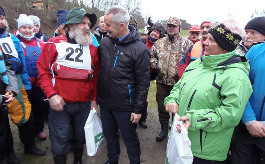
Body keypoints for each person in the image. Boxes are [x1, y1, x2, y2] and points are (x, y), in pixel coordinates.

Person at [165, 18, 252, 163]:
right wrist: (172, 100)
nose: (204, 42)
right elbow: (179, 87)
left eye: (211, 40)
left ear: (224, 46)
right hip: (180, 139)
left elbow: (231, 114)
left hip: (205, 152)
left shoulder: (236, 77)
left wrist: (194, 118)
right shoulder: (199, 64)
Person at [37, 7, 99, 164]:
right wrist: (51, 95)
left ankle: (78, 160)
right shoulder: (53, 44)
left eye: (89, 24)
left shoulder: (92, 49)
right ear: (70, 25)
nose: (87, 27)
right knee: (60, 137)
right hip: (60, 103)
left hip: (84, 103)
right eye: (83, 24)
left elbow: (95, 76)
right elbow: (43, 72)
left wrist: (94, 99)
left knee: (80, 135)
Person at [97, 5, 150, 164]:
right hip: (105, 103)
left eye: (108, 25)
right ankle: (112, 159)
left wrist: (138, 109)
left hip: (125, 105)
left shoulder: (140, 49)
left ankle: (135, 161)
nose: (104, 28)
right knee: (109, 135)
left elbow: (143, 82)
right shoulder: (105, 42)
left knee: (129, 138)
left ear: (121, 25)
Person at [0, 8, 45, 164]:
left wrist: (25, 83)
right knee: (1, 124)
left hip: (15, 82)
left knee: (26, 117)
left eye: (2, 18)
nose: (0, 21)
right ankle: (7, 153)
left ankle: (29, 145)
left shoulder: (12, 39)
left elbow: (22, 63)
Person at [150, 17, 193, 142]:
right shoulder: (159, 43)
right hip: (162, 82)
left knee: (178, 109)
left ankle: (175, 130)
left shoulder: (187, 44)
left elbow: (191, 62)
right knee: (162, 107)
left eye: (174, 26)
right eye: (169, 25)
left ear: (179, 27)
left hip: (179, 84)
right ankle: (163, 130)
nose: (171, 28)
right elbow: (152, 56)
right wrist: (156, 66)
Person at [231, 17, 265, 164]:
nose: (248, 35)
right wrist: (249, 119)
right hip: (246, 127)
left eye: (253, 32)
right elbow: (240, 87)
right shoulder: (255, 51)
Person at [14, 14, 48, 141]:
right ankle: (29, 134)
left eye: (30, 27)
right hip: (23, 83)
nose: (27, 30)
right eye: (24, 27)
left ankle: (39, 130)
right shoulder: (15, 42)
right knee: (27, 109)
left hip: (39, 82)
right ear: (19, 28)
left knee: (40, 107)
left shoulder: (40, 43)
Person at [139, 22, 165, 129]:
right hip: (134, 74)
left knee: (142, 97)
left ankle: (143, 118)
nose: (154, 33)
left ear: (160, 36)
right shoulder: (141, 41)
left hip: (147, 76)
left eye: (157, 32)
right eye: (154, 31)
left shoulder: (159, 46)